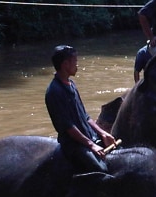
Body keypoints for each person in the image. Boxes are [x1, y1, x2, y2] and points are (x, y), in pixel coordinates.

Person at [45, 45, 117, 173]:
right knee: (101, 170)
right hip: (74, 144)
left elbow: (85, 116)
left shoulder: (71, 84)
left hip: (88, 137)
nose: (77, 66)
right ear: (66, 64)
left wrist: (102, 133)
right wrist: (91, 145)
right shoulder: (54, 92)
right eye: (75, 62)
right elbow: (68, 127)